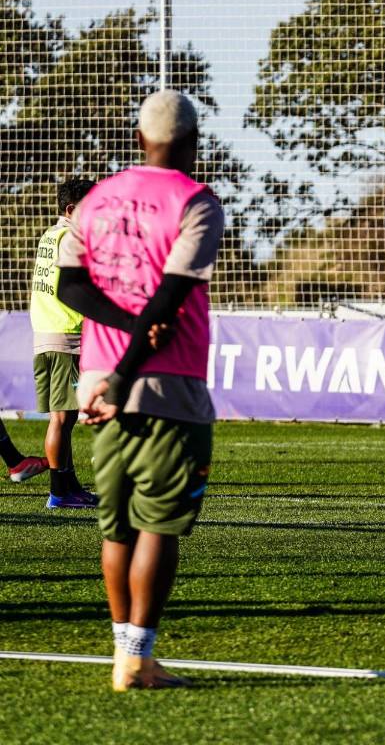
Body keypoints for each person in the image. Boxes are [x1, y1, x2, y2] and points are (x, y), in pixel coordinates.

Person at [56, 89, 223, 691]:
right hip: (165, 385)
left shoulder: (95, 200)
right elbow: (170, 298)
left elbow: (71, 287)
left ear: (137, 139)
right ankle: (139, 660)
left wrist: (111, 365)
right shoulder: (196, 202)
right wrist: (132, 360)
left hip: (98, 381)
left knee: (116, 525)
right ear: (194, 143)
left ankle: (121, 654)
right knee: (159, 524)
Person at [30, 178, 100, 509]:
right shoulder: (72, 238)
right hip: (66, 335)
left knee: (66, 417)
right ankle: (59, 493)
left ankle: (69, 486)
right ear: (71, 210)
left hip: (46, 333)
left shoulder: (50, 235)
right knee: (62, 418)